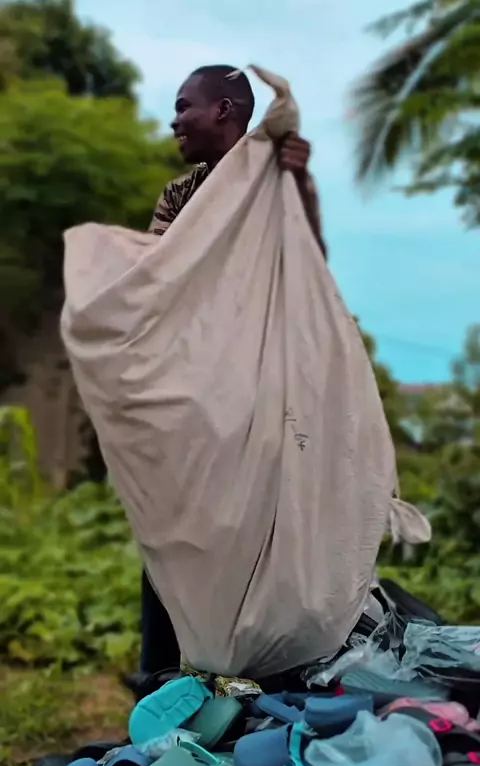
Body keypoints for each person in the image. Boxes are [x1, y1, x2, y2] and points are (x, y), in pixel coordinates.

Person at [124, 64, 328, 701]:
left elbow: (309, 266)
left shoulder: (277, 180)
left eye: (184, 106)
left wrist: (299, 188)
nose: (174, 121)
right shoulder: (181, 194)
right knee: (168, 524)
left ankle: (264, 672)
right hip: (193, 388)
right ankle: (162, 671)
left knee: (257, 531)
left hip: (260, 389)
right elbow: (155, 277)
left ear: (224, 110)